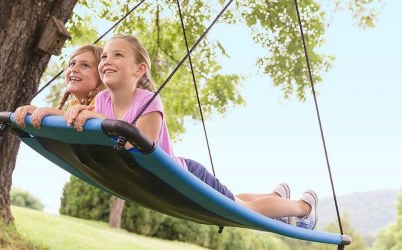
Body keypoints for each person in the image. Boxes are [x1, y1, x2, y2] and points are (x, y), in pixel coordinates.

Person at [64, 34, 318, 230]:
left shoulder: (148, 101)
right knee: (236, 200)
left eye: (117, 55)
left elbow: (141, 146)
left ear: (139, 69)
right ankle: (276, 197)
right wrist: (43, 113)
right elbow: (80, 118)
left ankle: (303, 206)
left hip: (184, 176)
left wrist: (99, 118)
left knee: (243, 210)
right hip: (165, 183)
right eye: (105, 56)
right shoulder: (103, 101)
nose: (107, 60)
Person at [14, 44, 105, 129]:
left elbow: (92, 121)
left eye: (85, 65)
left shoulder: (105, 100)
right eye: (72, 64)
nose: (74, 69)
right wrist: (34, 113)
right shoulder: (75, 104)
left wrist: (52, 113)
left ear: (102, 75)